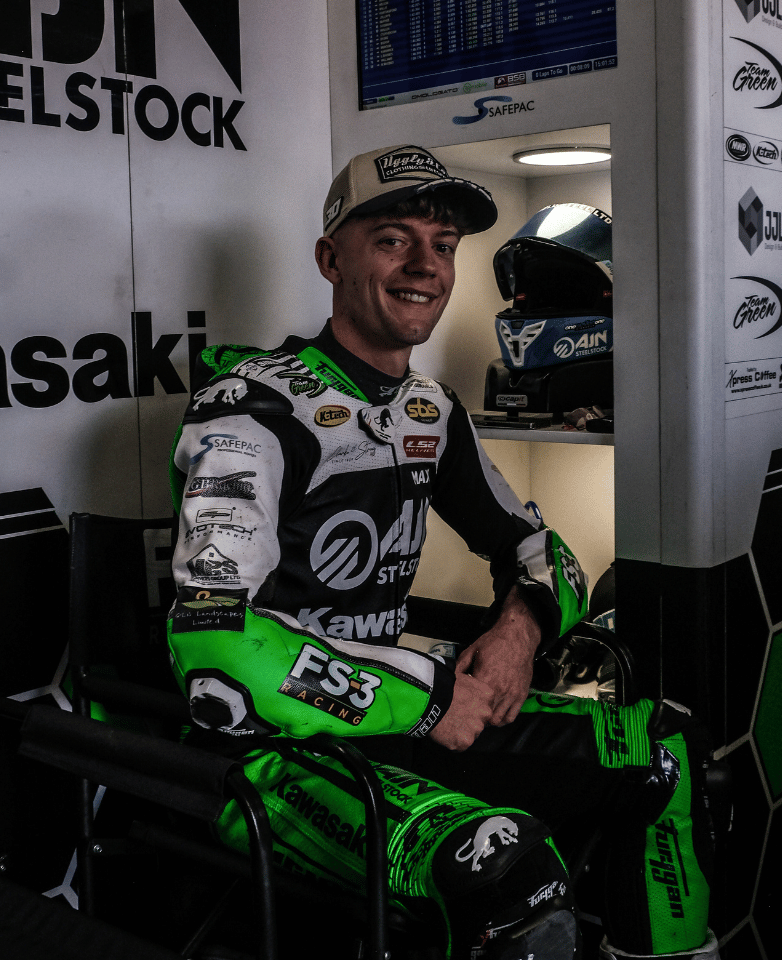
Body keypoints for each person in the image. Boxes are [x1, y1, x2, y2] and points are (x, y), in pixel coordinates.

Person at [166, 145, 720, 960]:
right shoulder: (251, 411)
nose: (426, 265)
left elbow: (541, 550)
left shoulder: (430, 409)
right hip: (273, 755)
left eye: (444, 245)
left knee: (661, 752)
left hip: (407, 720)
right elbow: (214, 645)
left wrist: (517, 634)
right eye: (393, 238)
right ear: (331, 258)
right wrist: (428, 697)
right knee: (510, 868)